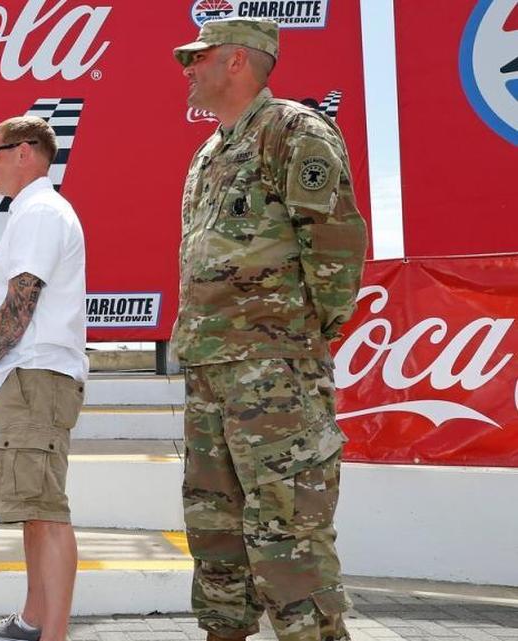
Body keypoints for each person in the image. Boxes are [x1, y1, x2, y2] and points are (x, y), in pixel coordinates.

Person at [171, 18, 369, 641]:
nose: (188, 69)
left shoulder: (294, 131)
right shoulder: (211, 151)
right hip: (211, 369)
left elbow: (335, 247)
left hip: (274, 373)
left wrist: (298, 339)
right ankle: (223, 631)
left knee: (289, 527)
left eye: (198, 59)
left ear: (237, 61)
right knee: (216, 526)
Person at [0, 116, 87, 641]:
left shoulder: (39, 211)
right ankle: (34, 621)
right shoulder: (33, 211)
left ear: (27, 152)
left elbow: (21, 301)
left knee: (46, 510)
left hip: (37, 374)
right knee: (34, 509)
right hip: (31, 375)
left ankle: (50, 633)